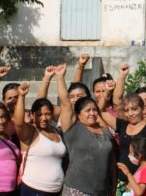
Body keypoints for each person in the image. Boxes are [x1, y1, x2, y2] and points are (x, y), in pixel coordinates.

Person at [56, 63, 114, 196]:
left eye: (94, 110)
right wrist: (60, 77)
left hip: (103, 191)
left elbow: (110, 161)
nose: (92, 113)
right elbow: (65, 103)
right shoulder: (73, 129)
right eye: (87, 111)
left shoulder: (104, 130)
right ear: (78, 114)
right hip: (77, 190)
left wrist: (113, 185)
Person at [98, 83, 146, 195]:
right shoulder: (122, 125)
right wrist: (107, 91)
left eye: (134, 109)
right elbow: (99, 111)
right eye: (126, 110)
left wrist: (133, 180)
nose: (130, 114)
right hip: (122, 179)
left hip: (141, 181)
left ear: (142, 109)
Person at [15, 82, 67, 196]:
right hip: (33, 189)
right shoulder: (30, 132)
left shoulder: (57, 131)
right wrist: (21, 96)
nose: (43, 118)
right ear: (33, 115)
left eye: (47, 114)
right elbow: (18, 123)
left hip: (56, 191)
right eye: (39, 114)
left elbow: (67, 107)